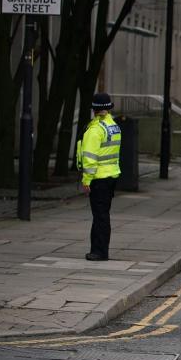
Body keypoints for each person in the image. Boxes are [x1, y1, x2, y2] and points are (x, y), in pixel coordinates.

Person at [76, 93, 122, 261]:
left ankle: (99, 251)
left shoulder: (95, 130)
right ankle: (99, 249)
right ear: (109, 108)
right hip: (111, 176)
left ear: (94, 109)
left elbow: (89, 158)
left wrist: (86, 180)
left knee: (100, 216)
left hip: (98, 178)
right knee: (103, 214)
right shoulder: (113, 126)